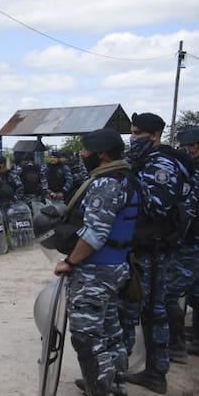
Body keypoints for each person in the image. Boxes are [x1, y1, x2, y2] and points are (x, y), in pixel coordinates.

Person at [52, 128, 138, 396]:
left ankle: (99, 388)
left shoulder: (105, 183)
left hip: (95, 272)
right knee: (111, 332)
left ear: (101, 154)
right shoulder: (127, 178)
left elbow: (94, 233)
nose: (82, 154)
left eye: (86, 150)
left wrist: (69, 261)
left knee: (86, 337)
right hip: (117, 267)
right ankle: (114, 384)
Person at [122, 112, 193, 393]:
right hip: (149, 248)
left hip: (150, 250)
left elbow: (156, 207)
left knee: (131, 312)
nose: (133, 138)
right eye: (132, 132)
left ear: (155, 135)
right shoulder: (146, 161)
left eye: (138, 133)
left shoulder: (162, 164)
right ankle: (154, 373)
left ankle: (111, 377)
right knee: (153, 313)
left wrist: (126, 185)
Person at [164, 126, 199, 359]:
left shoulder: (193, 174)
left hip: (191, 244)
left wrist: (172, 241)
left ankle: (176, 346)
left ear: (195, 147)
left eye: (184, 146)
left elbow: (187, 212)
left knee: (167, 293)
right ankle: (196, 340)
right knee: (196, 294)